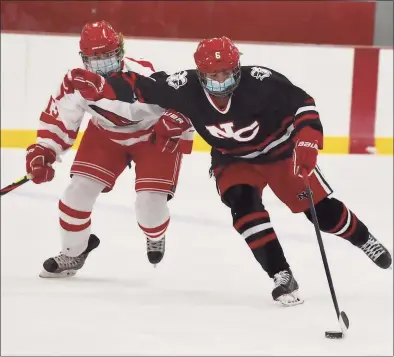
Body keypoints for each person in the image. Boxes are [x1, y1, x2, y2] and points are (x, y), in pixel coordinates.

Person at [77, 36, 391, 306]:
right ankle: (281, 274)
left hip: (281, 154)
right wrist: (102, 86)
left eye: (226, 73)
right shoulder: (184, 86)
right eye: (211, 76)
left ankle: (364, 239)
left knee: (321, 213)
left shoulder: (262, 81)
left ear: (237, 68)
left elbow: (303, 104)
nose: (219, 82)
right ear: (199, 74)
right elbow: (142, 87)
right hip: (233, 160)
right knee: (244, 210)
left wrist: (308, 140)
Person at [25, 20, 194, 278]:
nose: (102, 62)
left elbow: (184, 103)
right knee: (76, 193)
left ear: (121, 51)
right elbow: (60, 118)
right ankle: (73, 252)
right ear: (83, 58)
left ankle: (155, 233)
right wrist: (44, 151)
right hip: (105, 134)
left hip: (152, 136)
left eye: (107, 55)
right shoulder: (77, 83)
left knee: (149, 208)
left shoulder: (146, 72)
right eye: (95, 58)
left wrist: (178, 130)